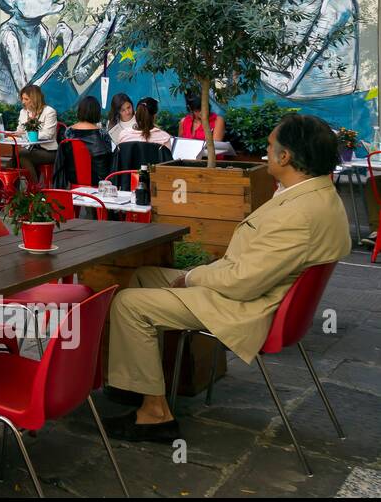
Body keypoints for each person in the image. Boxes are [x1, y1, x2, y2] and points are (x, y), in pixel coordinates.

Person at [102, 113, 350, 442]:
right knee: (145, 276)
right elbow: (252, 268)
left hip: (249, 307)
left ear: (286, 156)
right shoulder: (318, 196)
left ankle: (155, 414)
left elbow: (243, 282)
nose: (265, 151)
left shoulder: (300, 213)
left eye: (269, 145)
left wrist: (191, 279)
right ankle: (142, 382)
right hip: (258, 292)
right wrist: (195, 275)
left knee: (128, 304)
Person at [59, 95, 114, 185]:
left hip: (72, 177)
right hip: (98, 180)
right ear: (97, 113)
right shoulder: (102, 134)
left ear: (80, 111)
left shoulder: (68, 132)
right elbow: (108, 159)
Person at [11, 84, 59, 185]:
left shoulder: (49, 112)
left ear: (35, 99)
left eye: (26, 99)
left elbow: (48, 134)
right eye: (22, 99)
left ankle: (34, 191)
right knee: (11, 164)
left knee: (21, 155)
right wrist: (12, 135)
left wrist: (25, 134)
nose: (23, 102)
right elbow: (19, 130)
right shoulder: (24, 112)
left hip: (48, 151)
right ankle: (10, 194)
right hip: (30, 150)